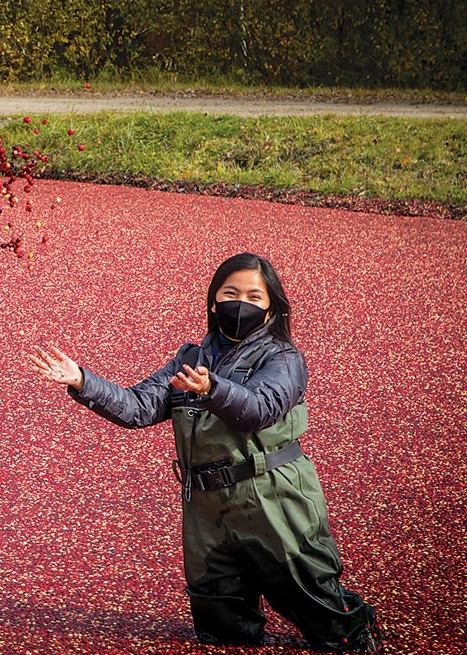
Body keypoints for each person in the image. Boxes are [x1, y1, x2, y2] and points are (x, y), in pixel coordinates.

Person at [29, 253, 383, 652]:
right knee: (220, 615)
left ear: (271, 308)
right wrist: (82, 381)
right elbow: (137, 408)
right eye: (231, 293)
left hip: (269, 492)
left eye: (254, 296)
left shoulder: (283, 358)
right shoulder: (191, 358)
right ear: (214, 302)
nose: (240, 304)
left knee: (306, 589)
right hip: (205, 503)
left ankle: (355, 634)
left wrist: (212, 390)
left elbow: (259, 410)